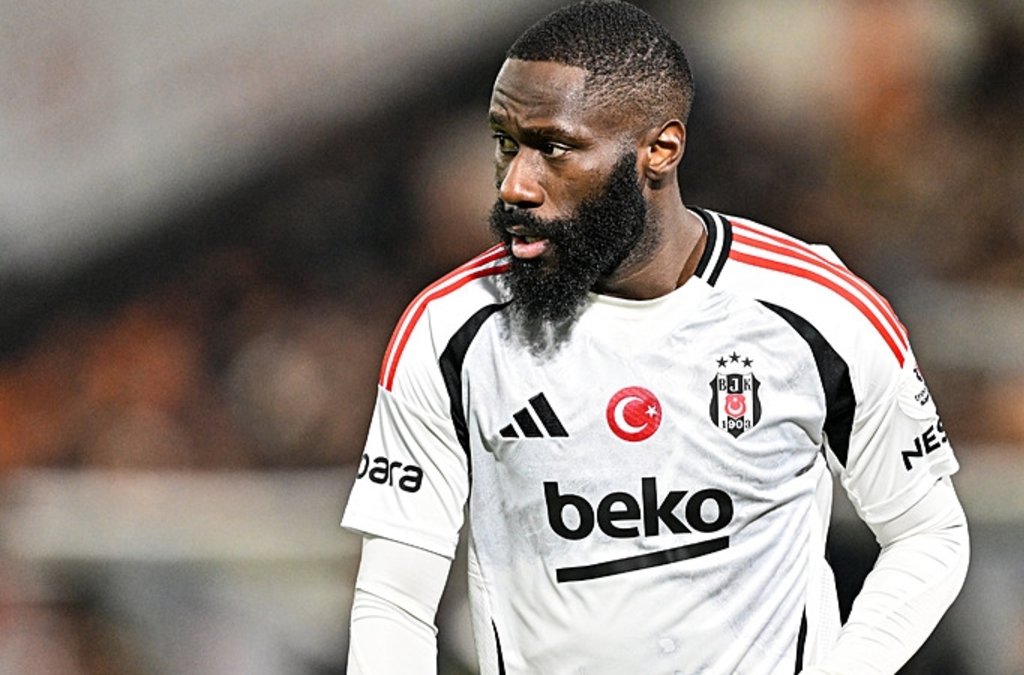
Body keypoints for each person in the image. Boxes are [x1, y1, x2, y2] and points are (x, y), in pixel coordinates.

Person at [341, 1, 969, 673]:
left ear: (660, 150)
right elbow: (395, 596)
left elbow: (929, 532)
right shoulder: (451, 328)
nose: (515, 184)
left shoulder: (819, 310)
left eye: (554, 148)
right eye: (505, 143)